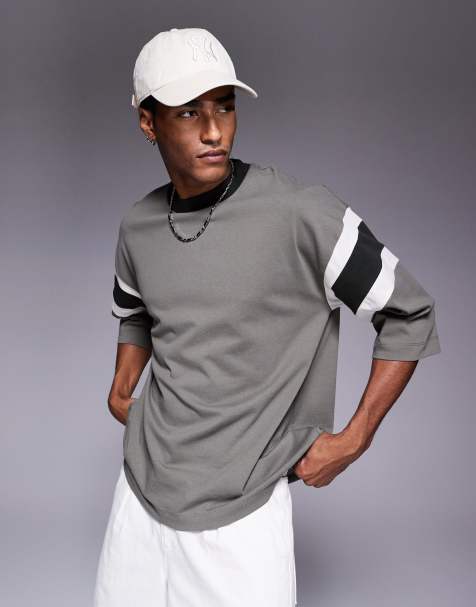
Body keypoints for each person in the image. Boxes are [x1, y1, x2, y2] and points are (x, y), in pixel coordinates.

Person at [93, 27, 442, 607]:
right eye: (189, 112)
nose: (214, 130)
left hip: (242, 516)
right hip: (138, 497)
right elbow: (136, 312)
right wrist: (121, 386)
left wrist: (354, 439)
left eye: (225, 106)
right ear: (148, 122)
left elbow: (411, 313)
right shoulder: (138, 225)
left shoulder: (300, 213)